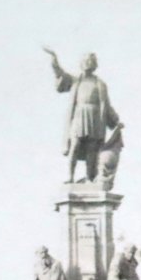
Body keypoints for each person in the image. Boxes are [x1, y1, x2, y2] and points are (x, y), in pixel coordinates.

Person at [45, 49, 120, 184]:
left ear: (94, 64)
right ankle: (70, 176)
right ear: (81, 64)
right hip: (79, 116)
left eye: (91, 61)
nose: (88, 63)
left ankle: (89, 178)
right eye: (85, 61)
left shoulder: (100, 84)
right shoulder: (75, 81)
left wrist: (115, 120)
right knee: (75, 145)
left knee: (92, 149)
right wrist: (55, 61)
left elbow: (107, 105)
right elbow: (61, 75)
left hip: (95, 118)